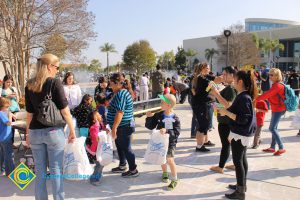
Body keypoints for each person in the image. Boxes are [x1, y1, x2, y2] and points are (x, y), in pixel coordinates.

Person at [25, 53, 75, 200]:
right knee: (56, 170)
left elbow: (29, 113)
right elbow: (65, 111)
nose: (57, 70)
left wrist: (28, 134)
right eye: (57, 67)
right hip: (53, 132)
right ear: (49, 66)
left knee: (39, 171)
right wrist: (72, 130)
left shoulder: (29, 84)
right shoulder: (54, 83)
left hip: (34, 132)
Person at [214, 70, 257, 200]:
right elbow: (236, 111)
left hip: (241, 133)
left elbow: (243, 119)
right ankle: (242, 185)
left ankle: (240, 191)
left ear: (240, 82)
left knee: (238, 161)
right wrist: (223, 110)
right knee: (242, 159)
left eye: (235, 79)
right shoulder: (243, 95)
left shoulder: (244, 97)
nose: (233, 81)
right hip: (242, 133)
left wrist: (227, 113)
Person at [145, 94, 180, 190]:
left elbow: (176, 133)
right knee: (161, 158)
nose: (160, 103)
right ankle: (165, 173)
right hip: (161, 142)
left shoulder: (175, 119)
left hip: (171, 142)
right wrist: (148, 117)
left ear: (168, 105)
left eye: (162, 102)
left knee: (170, 160)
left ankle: (174, 179)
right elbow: (150, 126)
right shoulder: (159, 115)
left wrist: (167, 131)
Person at [107, 72, 139, 177]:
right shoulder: (118, 92)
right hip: (120, 126)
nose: (109, 85)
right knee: (120, 146)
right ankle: (122, 165)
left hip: (124, 126)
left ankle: (133, 169)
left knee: (126, 148)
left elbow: (120, 112)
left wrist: (114, 127)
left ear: (117, 83)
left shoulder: (121, 94)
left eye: (111, 83)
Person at [210, 66, 237, 174]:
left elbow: (227, 105)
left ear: (232, 75)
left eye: (225, 74)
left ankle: (220, 167)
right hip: (227, 120)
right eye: (222, 74)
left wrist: (216, 93)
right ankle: (235, 164)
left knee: (226, 145)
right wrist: (216, 104)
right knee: (233, 144)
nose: (223, 76)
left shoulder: (231, 88)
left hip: (226, 122)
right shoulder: (231, 87)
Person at [191, 62, 222, 152]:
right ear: (202, 69)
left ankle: (203, 142)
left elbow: (213, 80)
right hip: (200, 104)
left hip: (203, 103)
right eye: (207, 68)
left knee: (205, 124)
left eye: (209, 68)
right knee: (202, 125)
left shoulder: (205, 77)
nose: (209, 70)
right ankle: (199, 146)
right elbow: (216, 80)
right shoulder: (200, 78)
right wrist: (223, 78)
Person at [255, 68, 287, 156]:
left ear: (277, 76)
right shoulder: (275, 84)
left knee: (272, 128)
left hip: (279, 109)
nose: (270, 77)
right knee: (274, 128)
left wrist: (255, 100)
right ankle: (272, 147)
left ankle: (281, 147)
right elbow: (268, 94)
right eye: (269, 75)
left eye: (272, 75)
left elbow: (267, 95)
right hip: (276, 108)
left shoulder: (277, 86)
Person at [85, 110, 105, 186]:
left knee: (101, 164)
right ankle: (94, 178)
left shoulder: (100, 124)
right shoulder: (94, 128)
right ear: (94, 120)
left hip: (99, 149)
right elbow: (95, 138)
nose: (100, 115)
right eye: (98, 115)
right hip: (94, 151)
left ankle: (98, 174)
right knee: (99, 164)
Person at [0, 75, 20, 149]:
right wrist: (8, 96)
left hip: (14, 109)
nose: (9, 84)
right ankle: (4, 141)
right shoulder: (1, 90)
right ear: (4, 82)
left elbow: (17, 100)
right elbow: (0, 100)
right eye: (8, 82)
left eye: (11, 82)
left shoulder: (13, 89)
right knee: (5, 126)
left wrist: (16, 96)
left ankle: (11, 142)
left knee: (12, 127)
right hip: (5, 110)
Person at [0, 97, 15, 176]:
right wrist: (9, 116)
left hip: (2, 137)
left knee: (3, 154)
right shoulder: (2, 114)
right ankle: (10, 172)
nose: (8, 108)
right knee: (9, 155)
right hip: (6, 137)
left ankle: (2, 170)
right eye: (7, 107)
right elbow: (8, 123)